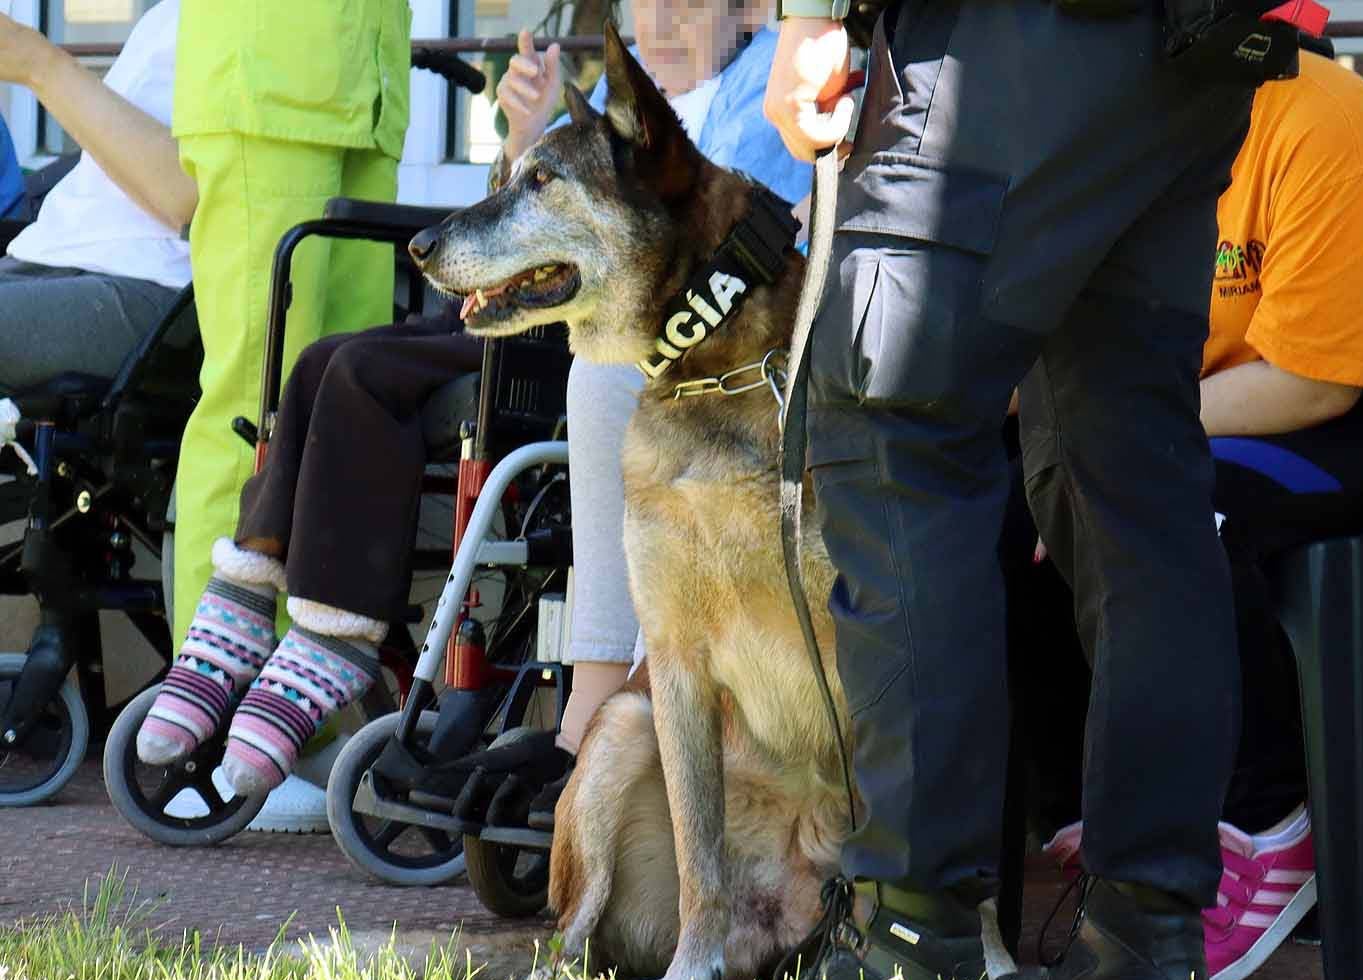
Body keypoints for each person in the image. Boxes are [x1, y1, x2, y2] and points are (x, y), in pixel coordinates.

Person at [138, 12, 811, 801]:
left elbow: (726, 227)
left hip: (628, 328)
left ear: (743, 11)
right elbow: (513, 226)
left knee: (358, 370)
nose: (658, 17)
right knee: (322, 361)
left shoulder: (764, 83)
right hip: (537, 309)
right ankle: (250, 602)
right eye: (642, 1)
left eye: (687, 1)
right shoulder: (608, 101)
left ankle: (328, 638)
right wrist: (525, 134)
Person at [762, 0, 1257, 980]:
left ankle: (907, 952)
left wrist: (806, 14)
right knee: (1137, 479)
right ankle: (1143, 953)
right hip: (1208, 44)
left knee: (893, 423)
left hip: (1016, 33)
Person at [1019, 45, 1363, 980]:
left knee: (1170, 495)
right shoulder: (1126, 139)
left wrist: (1117, 444)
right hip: (1234, 410)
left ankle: (1266, 820)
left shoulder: (1323, 128)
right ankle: (1113, 808)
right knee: (1032, 488)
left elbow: (1314, 385)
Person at [166, 0, 412, 660]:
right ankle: (207, 709)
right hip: (268, 79)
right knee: (252, 408)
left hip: (369, 89)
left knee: (346, 416)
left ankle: (298, 721)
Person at [0, 2, 191, 397]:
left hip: (156, 281)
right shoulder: (174, 13)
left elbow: (188, 202)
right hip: (50, 257)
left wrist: (37, 62)